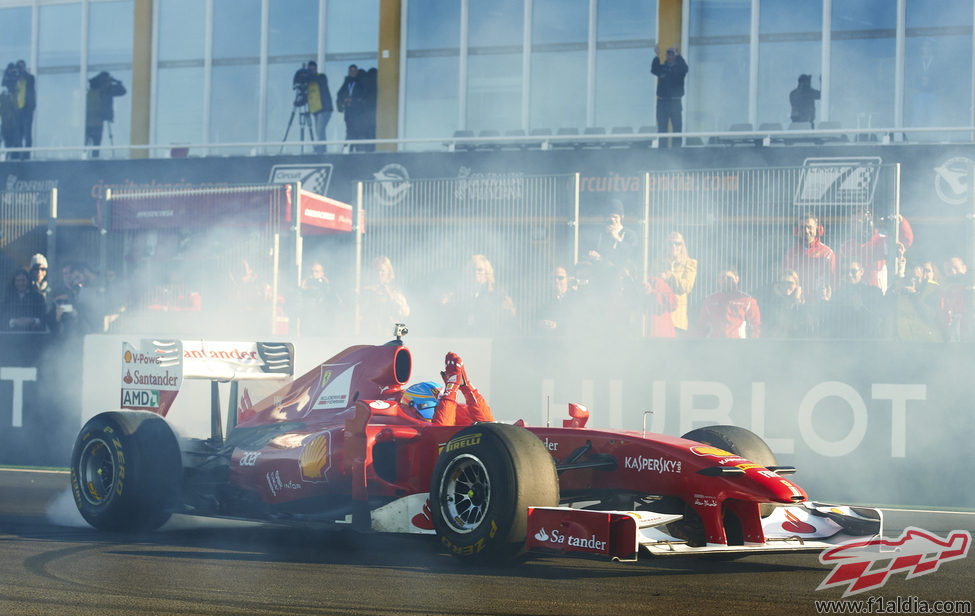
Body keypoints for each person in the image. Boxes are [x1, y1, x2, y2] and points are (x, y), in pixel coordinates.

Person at [835, 208, 913, 295]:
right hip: (851, 297)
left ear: (868, 223)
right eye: (852, 222)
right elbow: (837, 274)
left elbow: (906, 241)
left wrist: (901, 221)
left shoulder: (881, 241)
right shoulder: (845, 248)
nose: (853, 226)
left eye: (857, 222)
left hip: (877, 296)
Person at [401, 352, 493, 426]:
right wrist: (451, 389)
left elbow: (489, 428)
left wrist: (465, 387)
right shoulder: (408, 431)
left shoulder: (453, 414)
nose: (441, 410)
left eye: (442, 407)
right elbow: (441, 432)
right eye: (438, 409)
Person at [442, 254, 515, 336]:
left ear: (487, 273)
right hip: (465, 339)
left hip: (489, 340)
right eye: (473, 270)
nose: (476, 272)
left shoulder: (497, 294)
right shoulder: (461, 294)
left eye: (480, 270)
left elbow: (508, 314)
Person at [695, 265, 761, 338]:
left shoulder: (747, 300)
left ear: (737, 279)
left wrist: (752, 345)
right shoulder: (710, 300)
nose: (725, 280)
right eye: (722, 278)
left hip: (739, 345)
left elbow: (756, 325)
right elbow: (701, 325)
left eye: (729, 278)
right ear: (718, 280)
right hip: (715, 345)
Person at [783, 212, 835, 304]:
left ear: (818, 229)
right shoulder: (790, 254)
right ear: (797, 231)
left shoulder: (827, 253)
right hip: (797, 303)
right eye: (802, 228)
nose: (806, 231)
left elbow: (833, 281)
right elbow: (785, 281)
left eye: (809, 227)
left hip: (820, 304)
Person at [651, 231, 697, 335]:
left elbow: (686, 286)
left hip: (678, 319)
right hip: (660, 315)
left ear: (682, 246)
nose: (673, 246)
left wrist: (668, 276)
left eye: (677, 243)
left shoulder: (689, 263)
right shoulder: (657, 262)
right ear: (666, 245)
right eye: (670, 243)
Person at [828, 259, 885, 339]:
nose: (849, 275)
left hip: (868, 343)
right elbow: (832, 322)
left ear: (861, 271)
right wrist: (825, 301)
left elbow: (879, 321)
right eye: (846, 272)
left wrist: (861, 308)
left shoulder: (874, 293)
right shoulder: (837, 295)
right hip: (843, 344)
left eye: (853, 271)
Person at [359, 256, 410, 336]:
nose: (379, 274)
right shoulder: (366, 290)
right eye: (376, 271)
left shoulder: (395, 291)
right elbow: (359, 312)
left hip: (391, 335)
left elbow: (405, 312)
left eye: (382, 271)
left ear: (388, 272)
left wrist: (390, 295)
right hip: (371, 334)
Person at [760, 268, 817, 339]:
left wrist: (797, 300)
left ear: (796, 285)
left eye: (790, 283)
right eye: (783, 283)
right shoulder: (774, 303)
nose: (786, 286)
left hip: (797, 343)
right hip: (778, 342)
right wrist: (778, 297)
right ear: (779, 286)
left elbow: (805, 325)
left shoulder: (804, 304)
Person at [651, 45, 689, 147]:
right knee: (662, 128)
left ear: (675, 57)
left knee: (677, 127)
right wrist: (657, 55)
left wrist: (677, 53)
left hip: (675, 102)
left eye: (672, 54)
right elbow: (654, 69)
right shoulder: (662, 68)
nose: (670, 56)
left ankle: (677, 149)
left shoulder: (679, 69)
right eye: (668, 54)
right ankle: (662, 150)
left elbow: (685, 68)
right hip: (662, 102)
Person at [85, 71, 126, 158]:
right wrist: (116, 81)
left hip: (93, 123)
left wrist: (116, 82)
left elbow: (122, 91)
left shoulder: (95, 91)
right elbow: (122, 91)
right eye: (106, 80)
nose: (108, 82)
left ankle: (92, 161)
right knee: (94, 146)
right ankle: (93, 162)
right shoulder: (105, 91)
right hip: (94, 123)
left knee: (92, 146)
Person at [297, 61, 332, 154]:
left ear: (316, 69)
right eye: (309, 69)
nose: (311, 71)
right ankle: (320, 148)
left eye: (313, 69)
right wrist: (299, 102)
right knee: (318, 131)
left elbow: (317, 80)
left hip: (324, 109)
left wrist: (306, 74)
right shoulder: (308, 83)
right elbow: (307, 96)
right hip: (315, 110)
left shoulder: (321, 77)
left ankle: (321, 149)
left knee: (320, 130)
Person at [537, 265, 577, 336]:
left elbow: (579, 322)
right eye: (553, 278)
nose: (556, 281)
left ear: (567, 279)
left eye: (560, 278)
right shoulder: (544, 301)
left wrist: (557, 326)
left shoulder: (576, 298)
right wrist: (543, 324)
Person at [336, 64, 365, 151]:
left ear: (357, 72)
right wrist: (343, 101)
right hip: (348, 112)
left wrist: (354, 100)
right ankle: (348, 148)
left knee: (357, 129)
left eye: (354, 71)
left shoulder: (360, 82)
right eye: (351, 71)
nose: (352, 73)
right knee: (349, 130)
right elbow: (339, 94)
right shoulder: (347, 82)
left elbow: (363, 95)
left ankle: (358, 148)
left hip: (358, 112)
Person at [14, 60, 35, 159]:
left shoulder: (29, 78)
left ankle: (27, 154)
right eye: (19, 67)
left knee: (27, 132)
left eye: (22, 67)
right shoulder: (15, 79)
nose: (20, 69)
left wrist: (22, 73)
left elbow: (30, 81)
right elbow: (5, 83)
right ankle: (18, 153)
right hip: (17, 109)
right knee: (18, 133)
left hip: (26, 109)